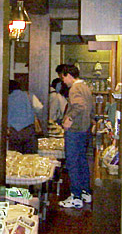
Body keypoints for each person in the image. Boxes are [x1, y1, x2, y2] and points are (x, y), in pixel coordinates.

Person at [59, 65, 94, 209]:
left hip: (75, 130)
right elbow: (88, 107)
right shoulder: (85, 87)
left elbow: (79, 106)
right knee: (82, 161)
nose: (63, 81)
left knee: (73, 163)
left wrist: (69, 119)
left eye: (63, 77)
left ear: (68, 75)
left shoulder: (74, 88)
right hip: (84, 130)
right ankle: (85, 192)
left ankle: (76, 197)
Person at [7, 80, 38, 154]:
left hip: (13, 131)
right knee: (30, 156)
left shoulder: (6, 98)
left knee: (15, 156)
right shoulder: (29, 95)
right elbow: (39, 108)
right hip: (28, 130)